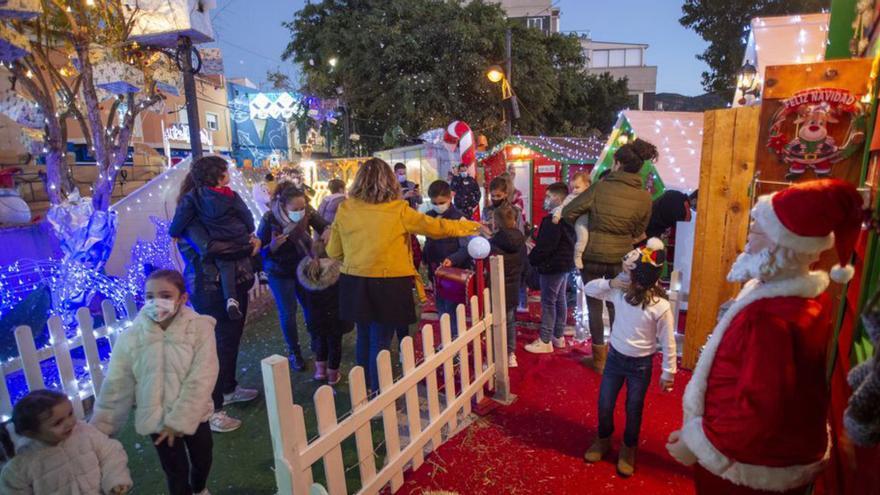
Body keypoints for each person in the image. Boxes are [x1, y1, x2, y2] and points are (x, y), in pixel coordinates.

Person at [667, 179, 863, 495]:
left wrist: (697, 443)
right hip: (780, 454)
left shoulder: (769, 318)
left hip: (744, 466)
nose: (747, 240)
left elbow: (759, 412)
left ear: (781, 247)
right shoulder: (801, 298)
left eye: (756, 233)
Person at [328, 158, 481, 392]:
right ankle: (378, 396)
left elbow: (334, 251)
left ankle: (364, 392)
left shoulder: (345, 209)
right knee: (380, 342)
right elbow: (437, 227)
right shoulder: (399, 210)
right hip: (389, 284)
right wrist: (472, 226)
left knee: (364, 338)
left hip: (354, 282)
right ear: (390, 182)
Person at [92, 270, 218, 495]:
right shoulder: (131, 338)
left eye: (166, 295)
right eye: (150, 296)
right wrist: (101, 431)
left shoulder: (200, 329)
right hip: (158, 420)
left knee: (202, 460)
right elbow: (117, 386)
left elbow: (203, 375)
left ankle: (199, 489)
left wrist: (179, 420)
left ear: (182, 298)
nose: (156, 302)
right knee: (175, 473)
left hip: (195, 415)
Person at [582, 239, 676, 478]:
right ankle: (603, 439)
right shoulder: (619, 292)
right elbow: (589, 289)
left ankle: (628, 448)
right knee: (605, 402)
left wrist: (669, 372)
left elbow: (668, 341)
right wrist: (611, 282)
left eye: (630, 273)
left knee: (633, 408)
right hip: (614, 359)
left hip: (640, 365)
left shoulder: (661, 306)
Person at [561, 139, 656, 374]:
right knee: (618, 306)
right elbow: (638, 231)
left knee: (594, 305)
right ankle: (617, 357)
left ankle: (599, 360)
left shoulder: (600, 187)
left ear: (617, 163)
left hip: (592, 253)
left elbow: (568, 212)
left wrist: (586, 225)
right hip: (623, 258)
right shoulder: (644, 197)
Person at [169, 156, 257, 321]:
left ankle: (231, 300)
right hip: (211, 285)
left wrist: (173, 232)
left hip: (215, 281)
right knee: (225, 338)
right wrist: (249, 239)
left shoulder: (192, 203)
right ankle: (257, 277)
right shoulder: (230, 196)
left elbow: (179, 225)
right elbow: (209, 247)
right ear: (219, 177)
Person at [0, 390, 132, 495]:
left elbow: (110, 452)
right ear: (31, 433)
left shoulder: (84, 432)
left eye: (70, 414)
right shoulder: (20, 467)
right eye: (58, 423)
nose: (70, 422)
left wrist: (115, 480)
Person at [257, 182, 329, 371]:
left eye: (302, 208)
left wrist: (326, 234)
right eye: (295, 209)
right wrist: (272, 246)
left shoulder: (308, 213)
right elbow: (259, 251)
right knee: (287, 313)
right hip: (279, 271)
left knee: (311, 307)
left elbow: (323, 225)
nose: (300, 212)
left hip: (303, 266)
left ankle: (316, 341)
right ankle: (294, 351)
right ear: (283, 206)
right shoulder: (270, 219)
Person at [525, 182, 576, 354]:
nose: (545, 200)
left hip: (552, 265)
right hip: (565, 265)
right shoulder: (570, 215)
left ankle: (545, 339)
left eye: (548, 196)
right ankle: (558, 335)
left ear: (558, 197)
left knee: (548, 302)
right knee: (559, 300)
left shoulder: (553, 220)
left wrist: (531, 259)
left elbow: (545, 247)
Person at [297, 239, 354, 385]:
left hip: (314, 316)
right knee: (335, 344)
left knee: (320, 341)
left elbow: (302, 296)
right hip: (335, 316)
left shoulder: (306, 271)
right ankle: (333, 376)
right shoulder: (339, 271)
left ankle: (320, 372)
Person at [423, 180, 472, 334]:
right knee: (441, 309)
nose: (438, 206)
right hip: (435, 272)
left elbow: (466, 248)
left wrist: (453, 259)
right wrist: (425, 257)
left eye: (442, 202)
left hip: (454, 273)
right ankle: (447, 340)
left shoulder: (459, 219)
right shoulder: (428, 217)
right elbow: (428, 241)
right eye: (434, 203)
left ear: (450, 198)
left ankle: (456, 343)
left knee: (453, 311)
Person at [489, 205, 526, 368]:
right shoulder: (521, 241)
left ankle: (495, 355)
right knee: (510, 321)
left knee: (494, 322)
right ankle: (510, 353)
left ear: (496, 222)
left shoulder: (493, 243)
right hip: (513, 287)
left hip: (496, 288)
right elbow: (525, 264)